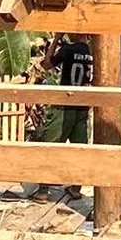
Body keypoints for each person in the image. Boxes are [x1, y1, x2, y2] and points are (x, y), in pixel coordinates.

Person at [29, 34, 95, 201]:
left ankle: (43, 189)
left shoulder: (68, 49)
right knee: (80, 149)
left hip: (64, 105)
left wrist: (57, 38)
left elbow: (46, 64)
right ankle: (76, 188)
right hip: (82, 106)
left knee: (49, 146)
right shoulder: (93, 51)